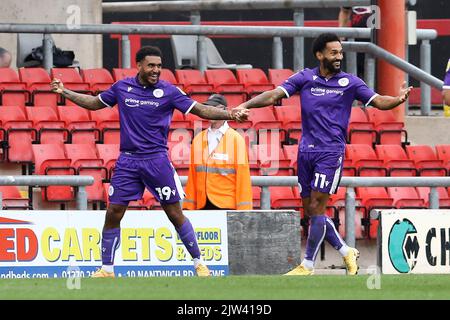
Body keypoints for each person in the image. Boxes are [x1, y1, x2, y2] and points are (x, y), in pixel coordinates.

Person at [50, 46, 249, 278]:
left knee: (174, 213)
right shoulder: (122, 87)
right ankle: (106, 269)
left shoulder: (169, 91)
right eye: (151, 65)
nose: (156, 70)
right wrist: (65, 92)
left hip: (157, 161)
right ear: (139, 65)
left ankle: (200, 264)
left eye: (159, 66)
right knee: (113, 212)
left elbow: (202, 110)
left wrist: (230, 114)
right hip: (128, 162)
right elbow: (95, 103)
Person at [236, 33, 412, 276]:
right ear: (320, 55)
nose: (339, 57)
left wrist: (397, 99)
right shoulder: (305, 78)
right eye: (333, 52)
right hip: (306, 151)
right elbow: (274, 94)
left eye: (340, 52)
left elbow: (378, 101)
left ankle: (307, 265)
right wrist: (245, 105)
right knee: (311, 210)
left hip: (331, 152)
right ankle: (346, 251)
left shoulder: (350, 82)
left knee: (318, 206)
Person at [183, 94, 252, 211]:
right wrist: (189, 207)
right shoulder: (198, 139)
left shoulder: (236, 139)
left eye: (213, 107)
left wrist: (244, 211)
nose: (209, 111)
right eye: (208, 108)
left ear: (224, 110)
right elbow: (193, 176)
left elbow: (243, 177)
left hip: (226, 205)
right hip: (202, 204)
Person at [338, 6, 372, 79]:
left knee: (375, 75)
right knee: (354, 74)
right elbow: (344, 11)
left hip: (376, 39)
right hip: (354, 40)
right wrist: (341, 35)